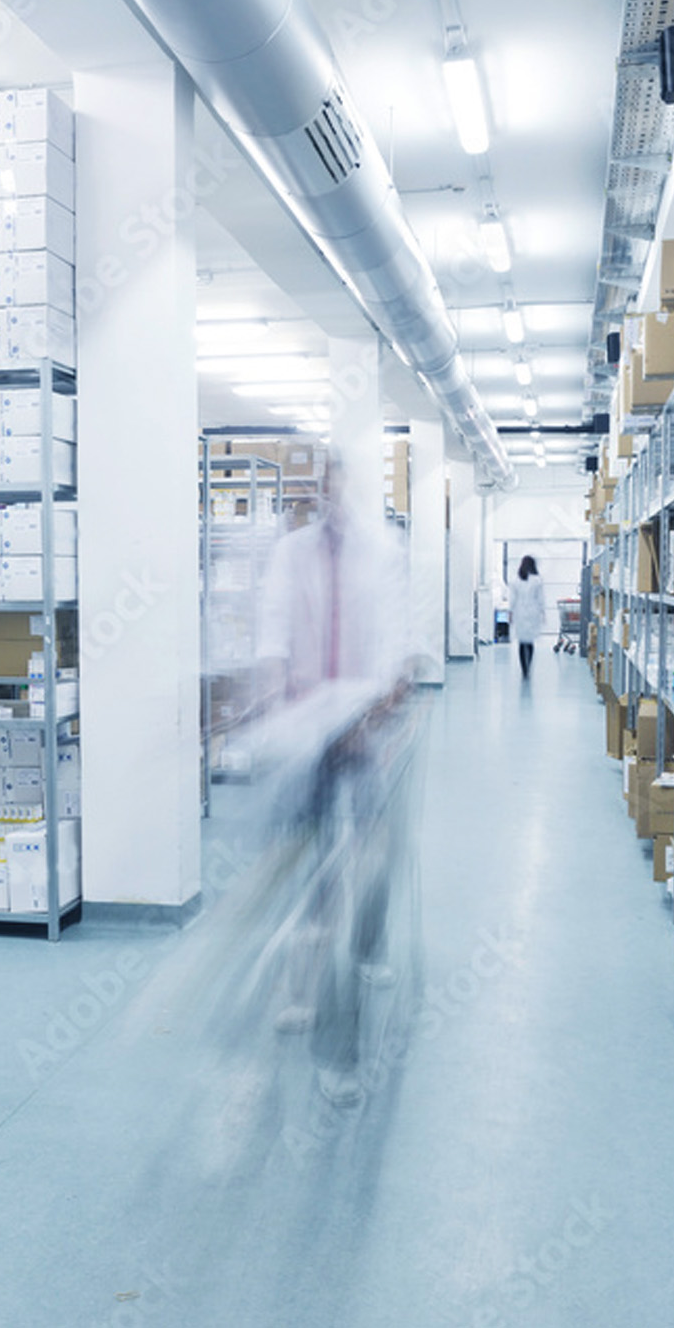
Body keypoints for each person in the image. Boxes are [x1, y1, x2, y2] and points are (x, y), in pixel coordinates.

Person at [252, 453, 421, 1108]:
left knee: (370, 859)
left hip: (365, 728)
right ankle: (305, 987)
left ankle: (368, 952)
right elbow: (271, 633)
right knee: (315, 859)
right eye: (318, 481)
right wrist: (276, 698)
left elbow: (397, 641)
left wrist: (376, 707)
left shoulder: (383, 554)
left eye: (337, 479)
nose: (327, 491)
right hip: (307, 732)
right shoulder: (289, 554)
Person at [510, 556, 547, 679]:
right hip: (533, 611)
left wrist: (510, 613)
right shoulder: (537, 580)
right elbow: (541, 598)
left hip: (520, 612)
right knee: (530, 642)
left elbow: (512, 599)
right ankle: (529, 666)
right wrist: (543, 612)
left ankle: (524, 670)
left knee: (522, 642)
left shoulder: (515, 580)